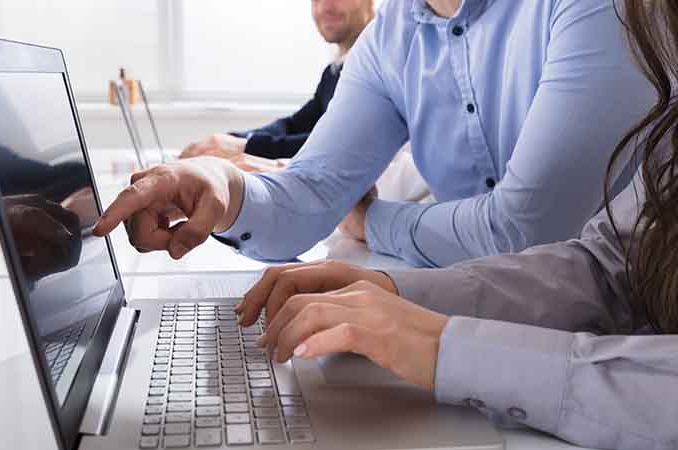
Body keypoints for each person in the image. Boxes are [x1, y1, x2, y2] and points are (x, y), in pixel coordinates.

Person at [220, 1, 678, 448]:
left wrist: (449, 350)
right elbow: (611, 267)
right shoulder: (392, 34)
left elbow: (525, 229)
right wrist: (392, 294)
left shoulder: (609, 11)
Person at [94, 0, 654, 269]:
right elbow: (309, 196)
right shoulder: (390, 39)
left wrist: (370, 221)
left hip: (632, 337)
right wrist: (221, 186)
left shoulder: (595, 7)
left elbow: (529, 233)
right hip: (502, 310)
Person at [179, 0, 375, 165]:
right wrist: (229, 141)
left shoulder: (376, 66)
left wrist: (246, 147)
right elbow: (295, 125)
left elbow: (339, 144)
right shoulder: (335, 70)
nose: (324, 7)